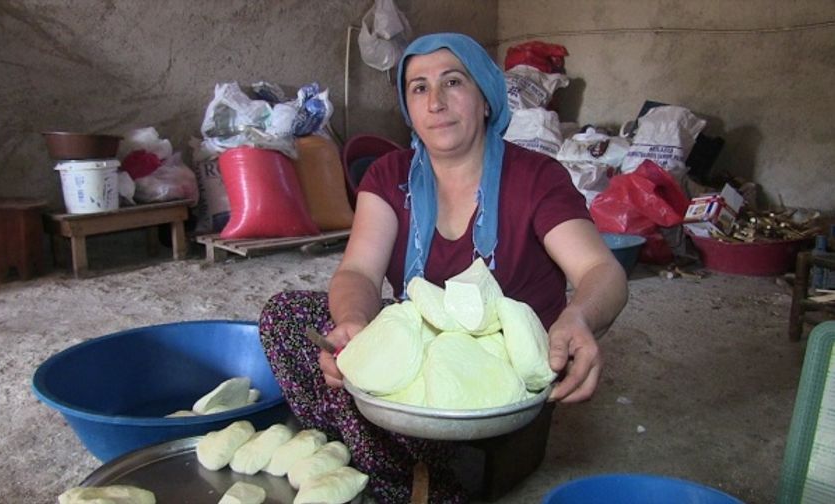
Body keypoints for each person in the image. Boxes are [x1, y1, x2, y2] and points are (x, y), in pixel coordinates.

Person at [259, 32, 628, 503]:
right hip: (423, 352)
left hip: (500, 381)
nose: (435, 101)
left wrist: (579, 318)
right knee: (286, 319)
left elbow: (601, 270)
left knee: (444, 439)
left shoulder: (535, 178)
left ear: (486, 99)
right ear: (408, 107)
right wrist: (353, 322)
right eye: (418, 87)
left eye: (453, 82)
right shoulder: (390, 176)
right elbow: (358, 274)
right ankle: (398, 464)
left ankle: (401, 467)